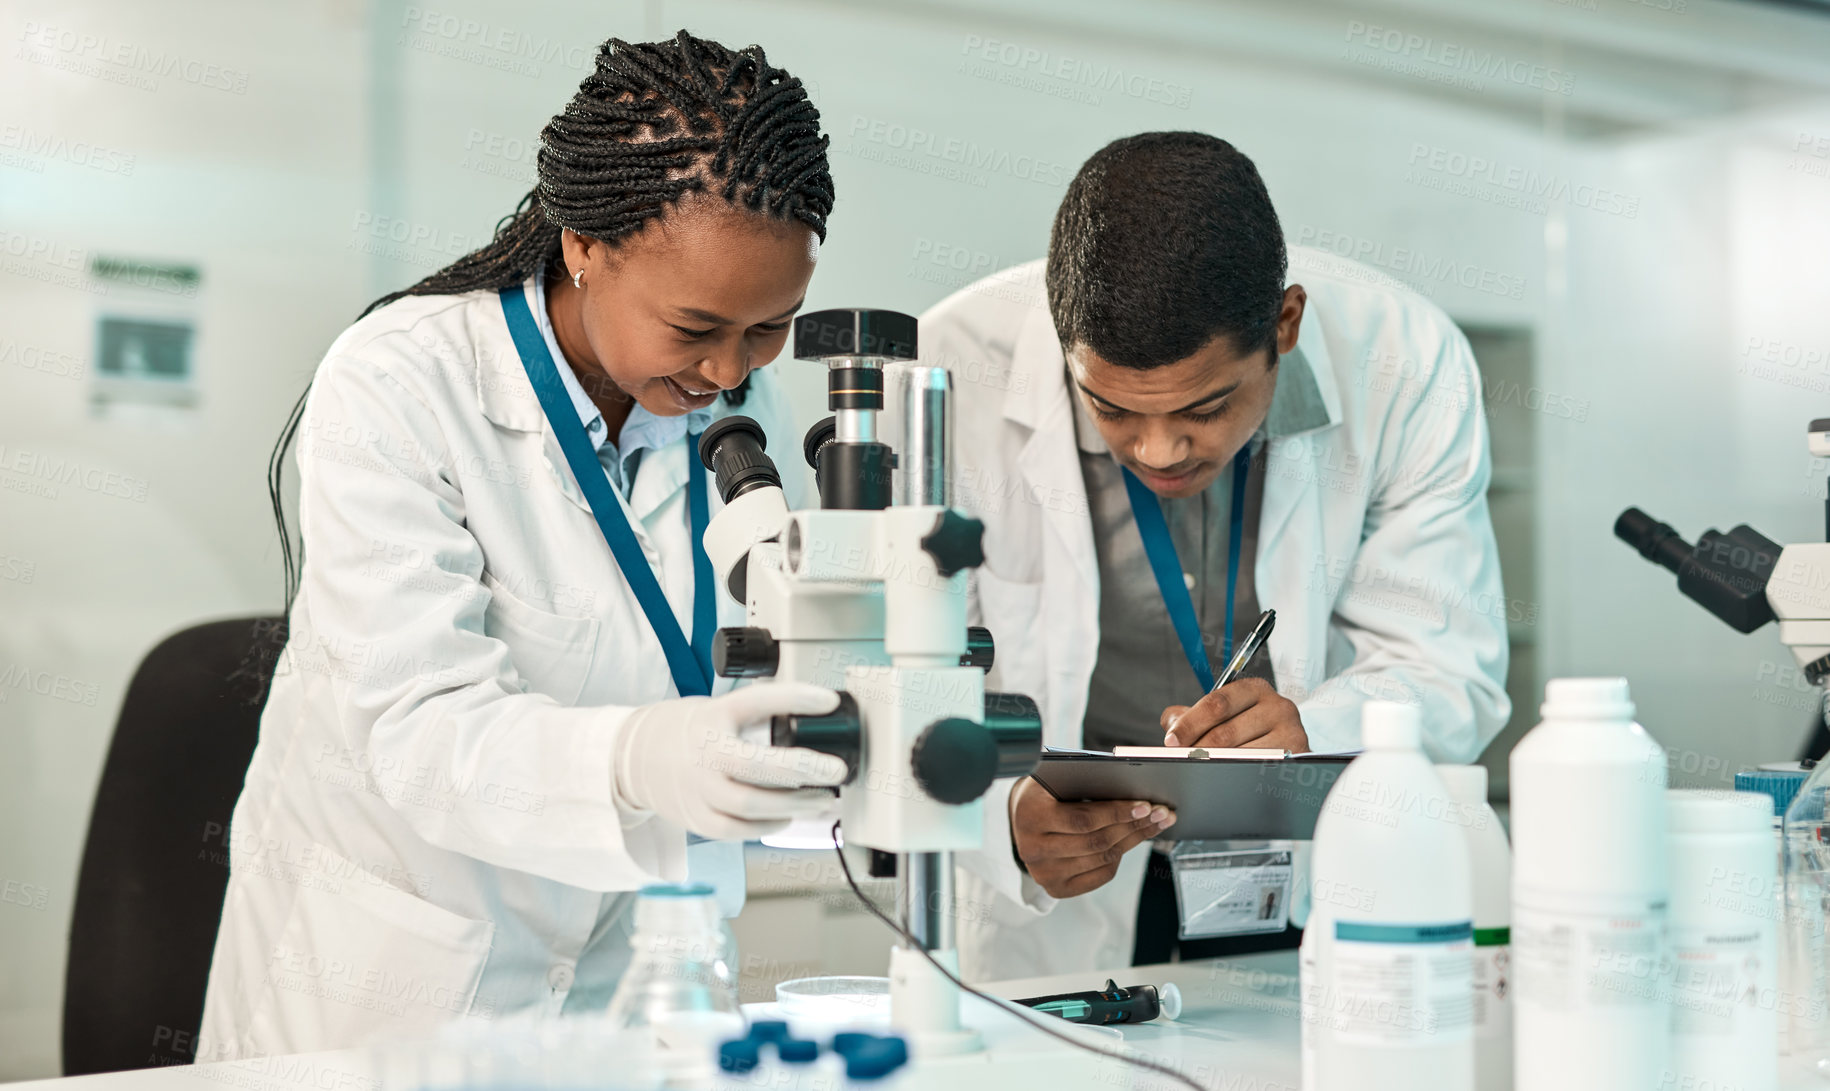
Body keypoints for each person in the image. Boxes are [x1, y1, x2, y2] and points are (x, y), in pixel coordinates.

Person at [199, 31, 848, 1059]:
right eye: (696, 327)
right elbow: (418, 731)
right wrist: (640, 754)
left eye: (769, 328)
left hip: (629, 976)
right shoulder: (402, 383)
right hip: (392, 983)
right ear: (587, 245)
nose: (730, 369)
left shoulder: (735, 413)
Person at [915, 132, 1510, 979]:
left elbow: (1451, 668)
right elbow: (905, 679)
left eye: (1208, 403)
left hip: (1312, 866)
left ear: (1285, 323)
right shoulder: (953, 368)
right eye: (1112, 410)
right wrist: (1001, 821)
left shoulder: (1407, 362)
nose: (1158, 450)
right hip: (1063, 889)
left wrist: (1317, 730)